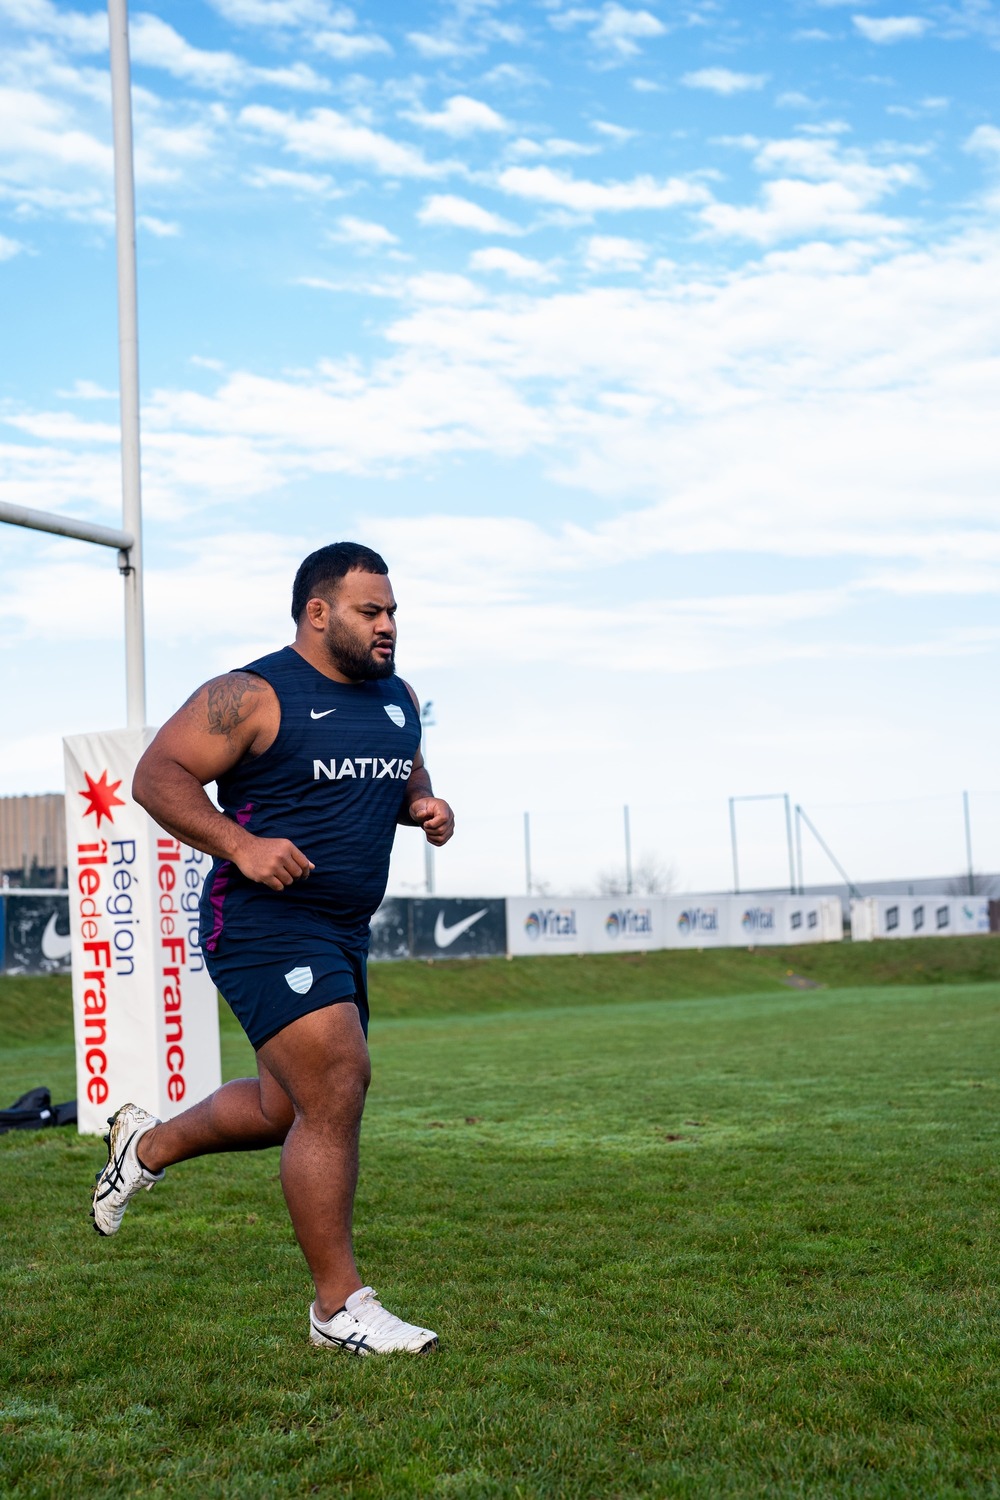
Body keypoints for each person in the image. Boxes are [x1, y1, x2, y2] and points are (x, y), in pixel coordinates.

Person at [90, 542, 454, 1356]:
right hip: (261, 921)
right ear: (319, 613)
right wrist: (240, 844)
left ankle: (142, 1145)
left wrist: (425, 806)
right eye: (372, 611)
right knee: (338, 1080)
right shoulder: (251, 694)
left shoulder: (398, 698)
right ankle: (338, 1309)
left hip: (342, 931)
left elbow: (401, 775)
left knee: (281, 1108)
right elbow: (159, 774)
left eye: (393, 611)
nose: (389, 625)